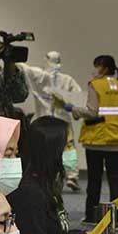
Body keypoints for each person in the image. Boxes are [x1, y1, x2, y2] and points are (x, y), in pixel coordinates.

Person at [69, 55, 118, 225]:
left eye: (96, 66)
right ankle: (117, 219)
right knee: (116, 181)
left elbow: (92, 112)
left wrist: (73, 109)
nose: (94, 69)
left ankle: (91, 216)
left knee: (94, 180)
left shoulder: (95, 85)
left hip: (97, 140)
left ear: (103, 68)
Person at [20, 50, 83, 191]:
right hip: (62, 120)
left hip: (43, 121)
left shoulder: (39, 76)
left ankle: (43, 174)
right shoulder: (67, 80)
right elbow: (79, 100)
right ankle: (71, 175)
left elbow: (24, 68)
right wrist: (70, 105)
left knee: (42, 148)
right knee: (68, 148)